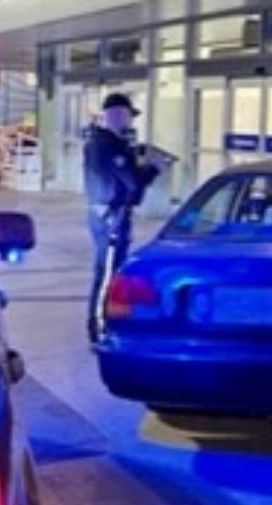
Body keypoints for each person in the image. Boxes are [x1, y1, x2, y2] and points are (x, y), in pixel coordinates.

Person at [83, 92, 166, 343]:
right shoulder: (107, 145)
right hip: (111, 216)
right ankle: (98, 326)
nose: (131, 122)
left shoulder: (107, 143)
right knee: (107, 273)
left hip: (111, 214)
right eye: (129, 115)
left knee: (112, 270)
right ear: (117, 115)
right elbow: (132, 181)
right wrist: (153, 168)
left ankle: (108, 320)